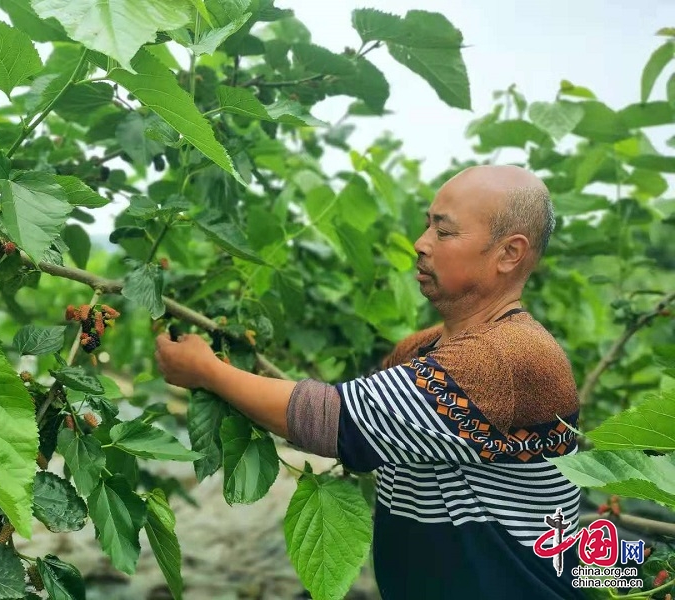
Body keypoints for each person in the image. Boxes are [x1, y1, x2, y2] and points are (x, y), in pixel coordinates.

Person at [155, 165, 584, 599]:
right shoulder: (425, 348)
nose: (421, 244)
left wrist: (207, 370)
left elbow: (337, 422)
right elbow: (364, 414)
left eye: (444, 232)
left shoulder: (506, 356)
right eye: (426, 226)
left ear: (509, 254)